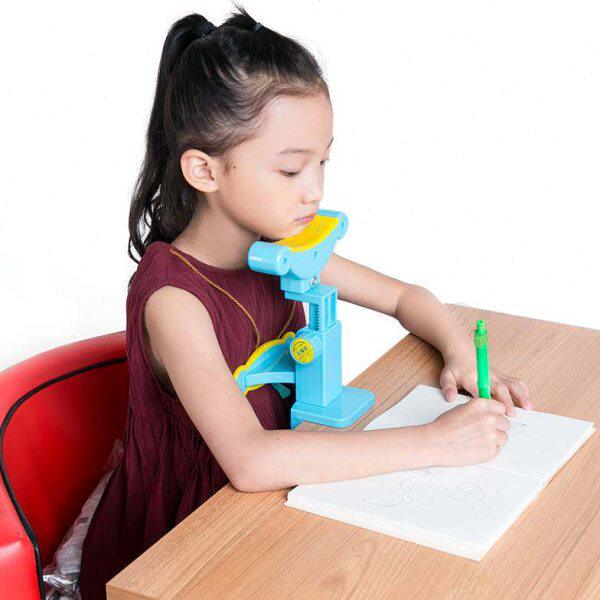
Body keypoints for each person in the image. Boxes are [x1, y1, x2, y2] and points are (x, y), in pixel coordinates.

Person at [80, 5, 533, 598]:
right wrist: (435, 443)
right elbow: (249, 462)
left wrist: (457, 352)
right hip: (187, 541)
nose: (315, 190)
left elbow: (406, 297)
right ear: (204, 171)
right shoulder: (174, 300)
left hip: (281, 502)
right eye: (291, 170)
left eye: (323, 162)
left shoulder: (284, 248)